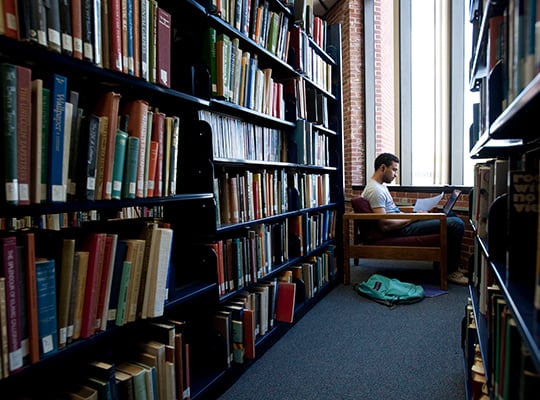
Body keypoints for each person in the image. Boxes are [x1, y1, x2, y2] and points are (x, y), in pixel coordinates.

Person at [361, 153, 467, 285]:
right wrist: (414, 218)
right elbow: (385, 225)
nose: (396, 175)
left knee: (449, 216)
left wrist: (416, 213)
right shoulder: (375, 190)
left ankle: (447, 265)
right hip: (399, 230)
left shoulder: (380, 186)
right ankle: (451, 271)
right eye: (394, 170)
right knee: (456, 224)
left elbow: (392, 212)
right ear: (382, 168)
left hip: (402, 222)